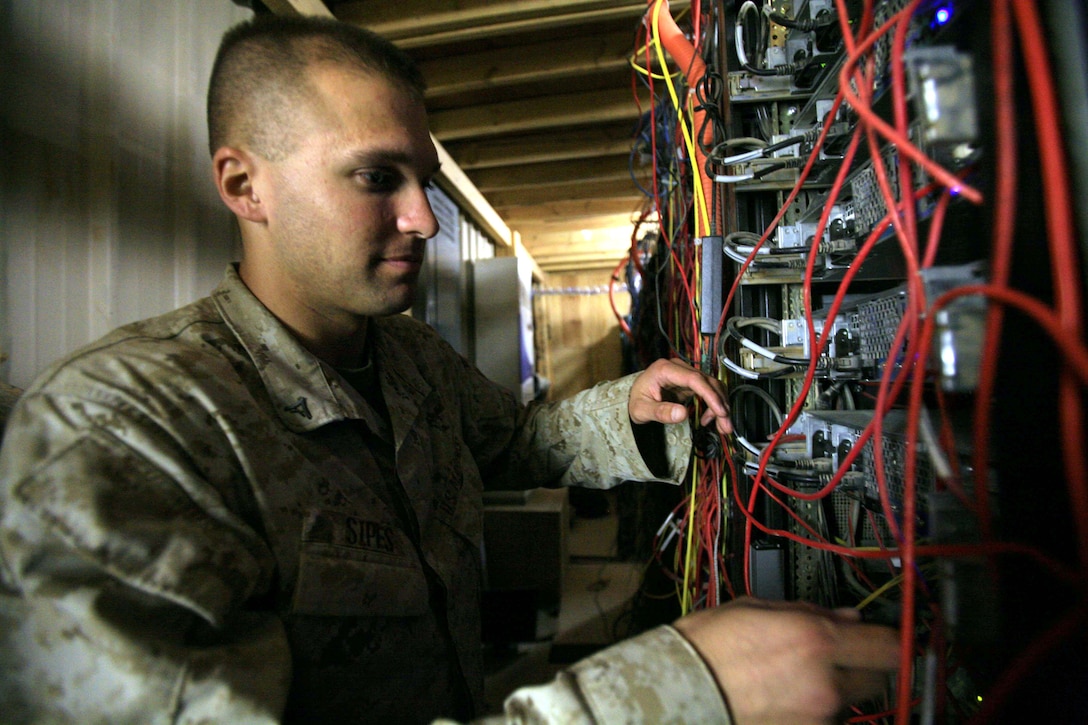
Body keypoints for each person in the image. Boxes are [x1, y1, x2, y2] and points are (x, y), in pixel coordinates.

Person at [0, 14, 898, 724]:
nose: (424, 221)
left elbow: (516, 446)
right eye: (374, 178)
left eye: (422, 180)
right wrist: (687, 689)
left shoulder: (408, 359)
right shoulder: (125, 428)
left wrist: (628, 410)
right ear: (244, 186)